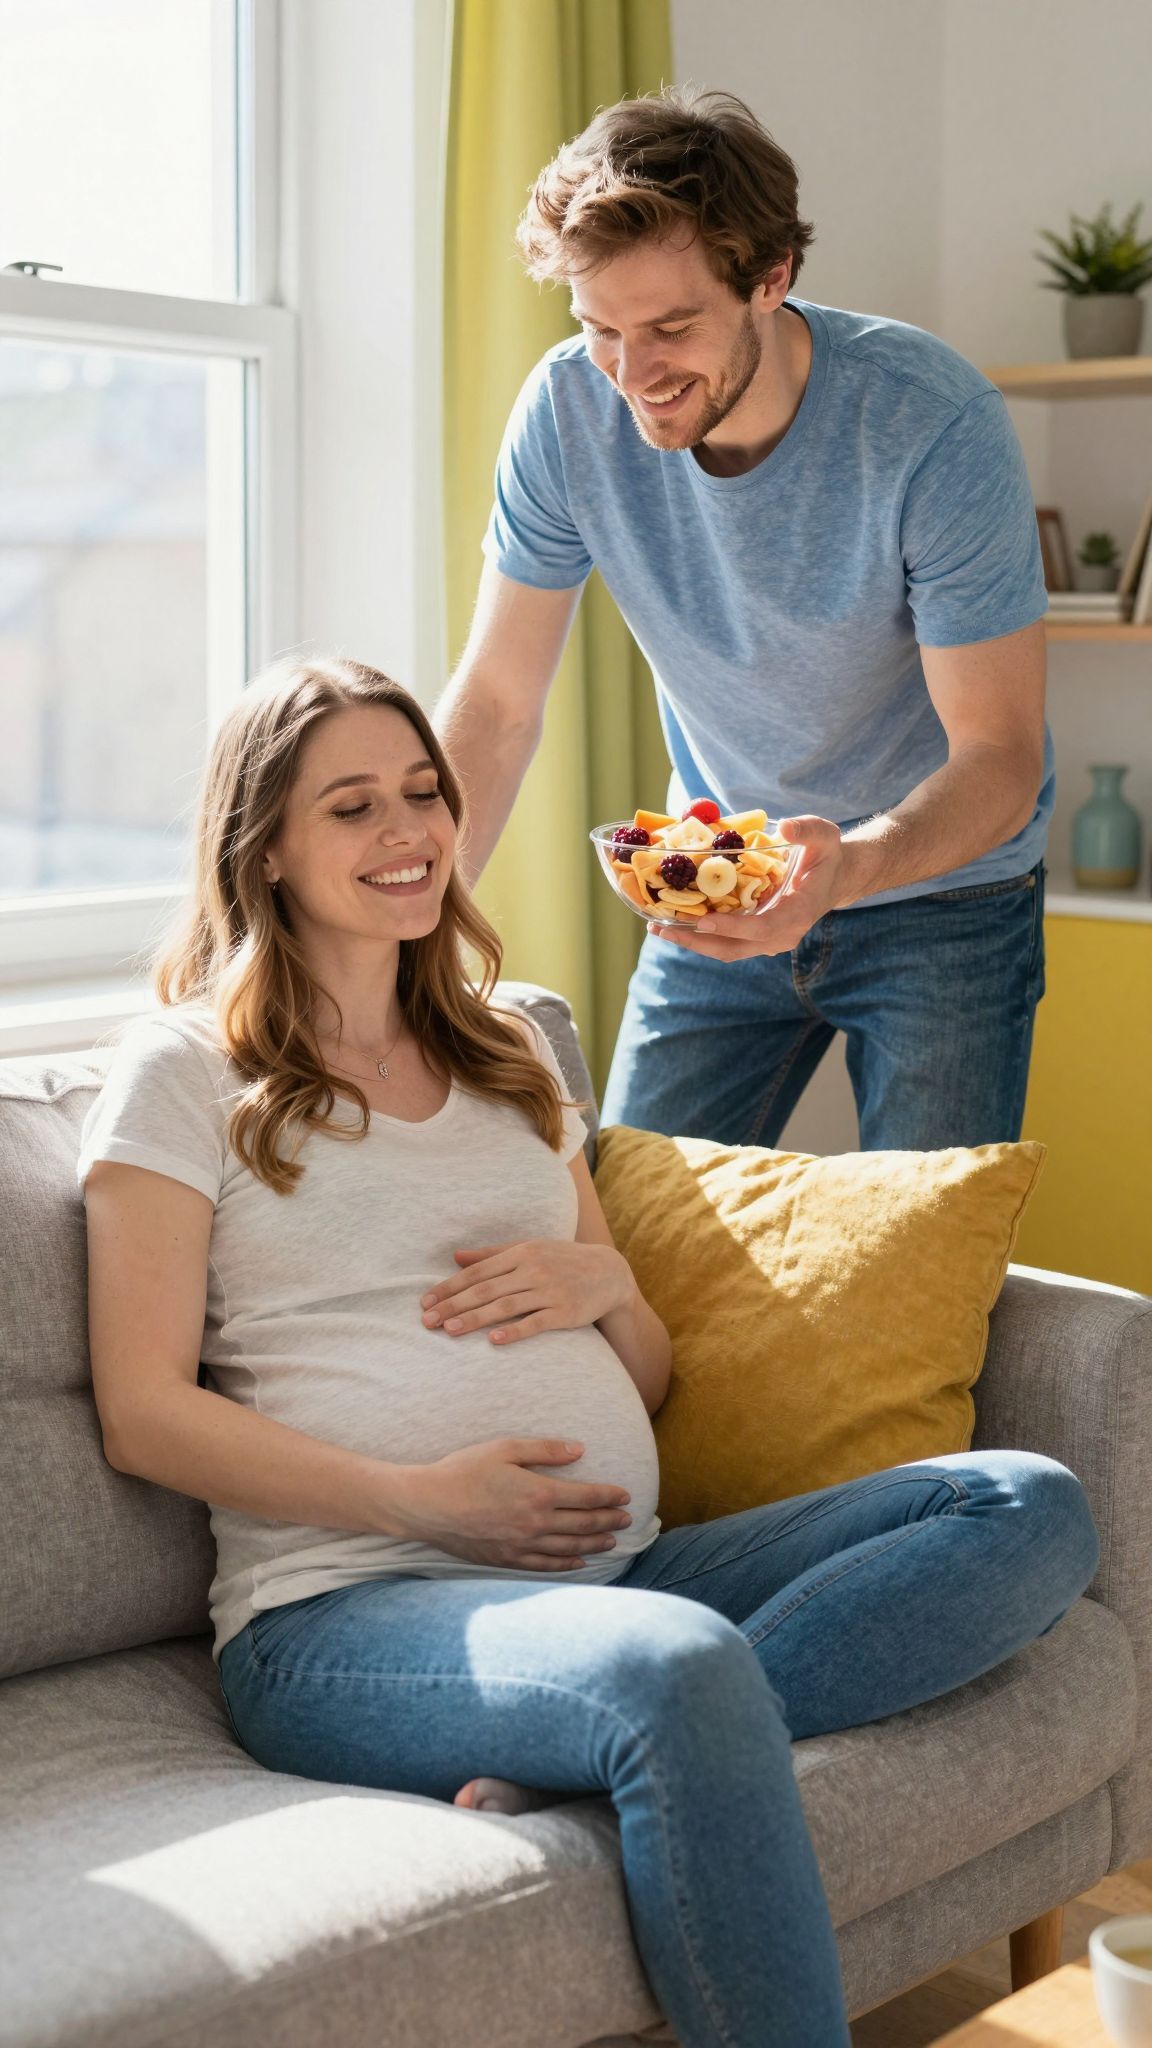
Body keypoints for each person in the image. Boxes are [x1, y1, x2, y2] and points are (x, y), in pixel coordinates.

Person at [77, 657, 1096, 2048]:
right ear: (263, 847)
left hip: (620, 1569)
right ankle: (650, 1728)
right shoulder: (186, 1073)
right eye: (354, 808)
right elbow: (142, 1417)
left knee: (1025, 1504)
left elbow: (652, 1379)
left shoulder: (508, 1054)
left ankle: (587, 1759)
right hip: (347, 1609)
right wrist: (421, 1499)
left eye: (425, 795)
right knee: (669, 1669)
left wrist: (603, 1283)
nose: (411, 834)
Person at [435, 85, 1052, 1153]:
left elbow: (999, 754)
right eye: (599, 329)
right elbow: (494, 705)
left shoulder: (930, 423)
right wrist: (412, 928)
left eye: (672, 327)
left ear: (771, 277)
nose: (633, 376)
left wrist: (847, 871)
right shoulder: (566, 410)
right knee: (634, 1235)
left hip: (941, 895)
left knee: (923, 1267)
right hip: (718, 874)